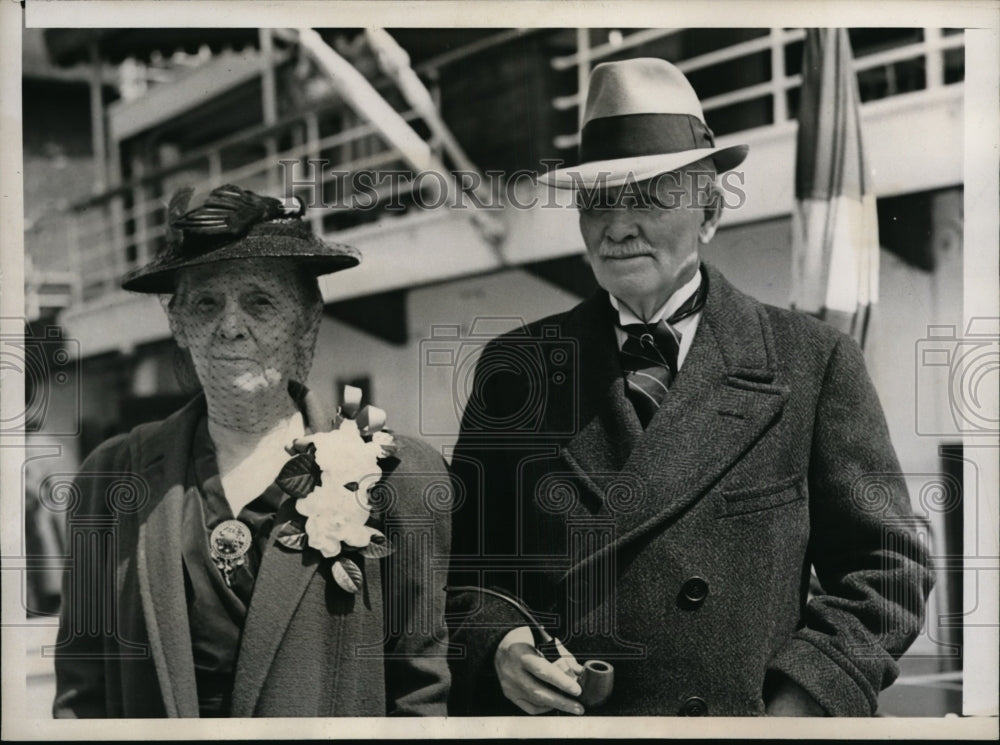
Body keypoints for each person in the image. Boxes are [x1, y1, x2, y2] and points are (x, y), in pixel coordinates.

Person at [446, 58, 933, 717]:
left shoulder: (811, 362)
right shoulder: (516, 370)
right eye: (597, 200)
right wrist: (497, 645)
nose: (616, 225)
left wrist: (800, 706)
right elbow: (462, 574)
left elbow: (888, 570)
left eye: (646, 196)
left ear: (708, 213)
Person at [53, 184, 451, 717]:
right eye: (206, 303)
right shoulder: (112, 479)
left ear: (308, 318)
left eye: (261, 302)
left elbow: (420, 694)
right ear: (178, 322)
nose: (231, 326)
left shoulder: (398, 477)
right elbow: (82, 698)